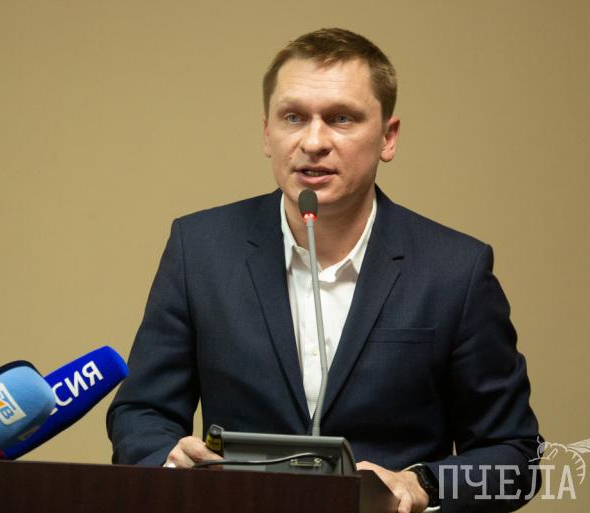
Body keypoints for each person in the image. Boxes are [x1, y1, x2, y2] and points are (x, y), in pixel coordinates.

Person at [107, 28, 541, 513]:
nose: (313, 142)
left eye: (341, 119)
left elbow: (517, 457)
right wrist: (169, 464)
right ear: (267, 133)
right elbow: (140, 412)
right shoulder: (200, 249)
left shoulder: (455, 270)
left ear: (388, 137)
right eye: (293, 117)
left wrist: (423, 484)